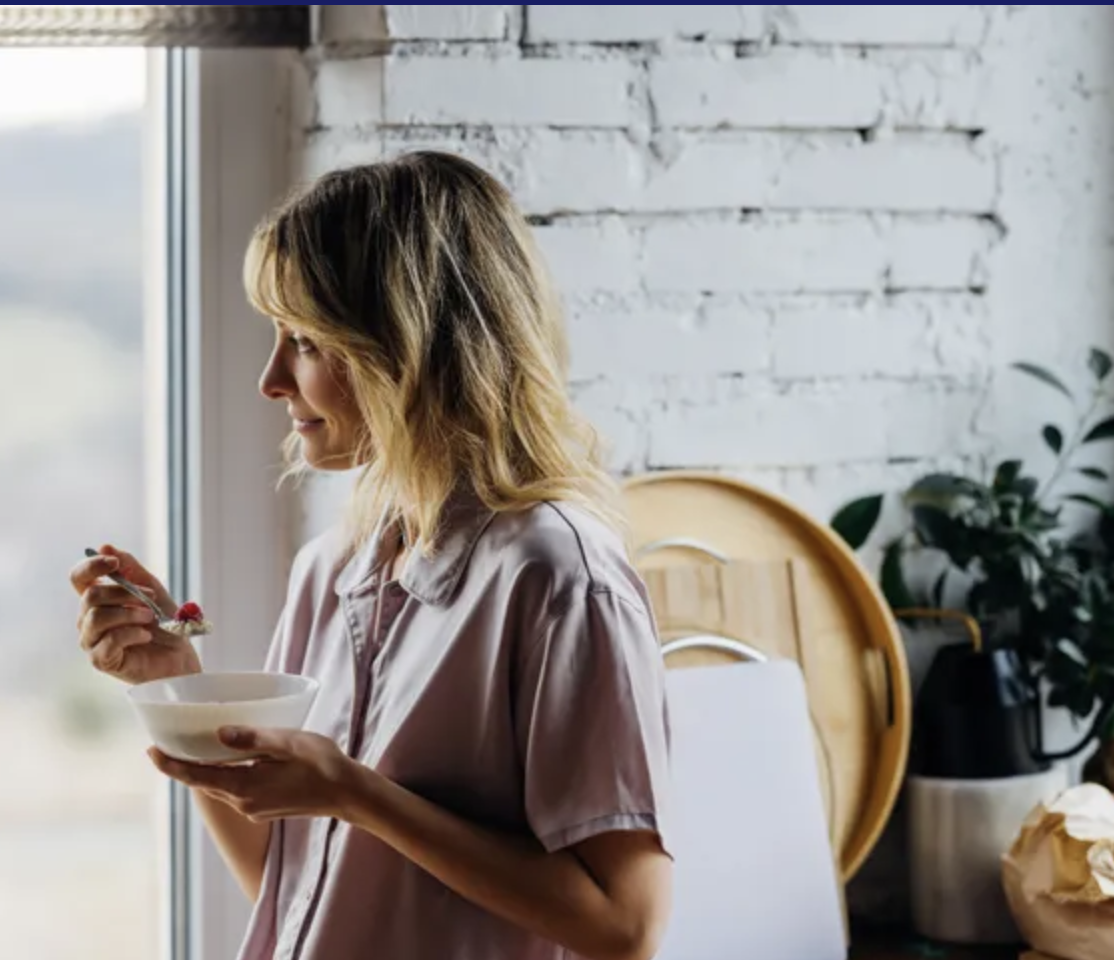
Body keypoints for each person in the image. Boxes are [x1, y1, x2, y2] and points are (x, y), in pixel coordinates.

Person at [70, 151, 674, 960]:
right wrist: (173, 681)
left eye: (305, 341)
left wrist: (358, 795)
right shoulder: (333, 569)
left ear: (409, 347)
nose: (271, 379)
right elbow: (301, 895)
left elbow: (625, 925)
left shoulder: (561, 579)